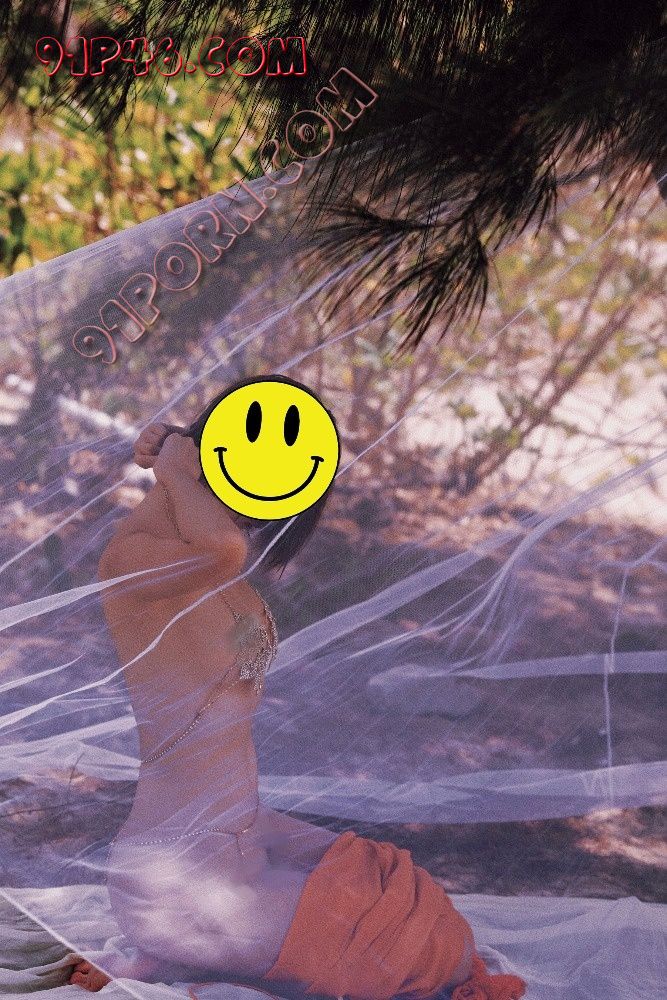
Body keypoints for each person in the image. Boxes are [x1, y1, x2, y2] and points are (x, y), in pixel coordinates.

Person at [68, 379, 524, 1000]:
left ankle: (184, 956)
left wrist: (177, 464)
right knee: (422, 955)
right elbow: (221, 545)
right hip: (174, 878)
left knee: (428, 922)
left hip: (242, 836)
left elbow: (223, 562)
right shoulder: (137, 562)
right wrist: (172, 468)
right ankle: (177, 948)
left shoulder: (228, 585)